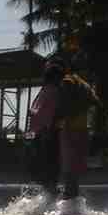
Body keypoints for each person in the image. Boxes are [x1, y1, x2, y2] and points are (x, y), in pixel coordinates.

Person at [55, 66, 98, 204]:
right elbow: (96, 102)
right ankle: (73, 199)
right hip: (83, 130)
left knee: (68, 168)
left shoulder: (68, 82)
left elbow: (63, 106)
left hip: (69, 129)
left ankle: (68, 200)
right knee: (75, 169)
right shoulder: (84, 86)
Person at [27, 60, 64, 203]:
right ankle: (52, 197)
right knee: (52, 168)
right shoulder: (55, 92)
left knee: (45, 170)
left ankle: (48, 196)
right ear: (56, 78)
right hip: (49, 133)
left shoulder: (43, 92)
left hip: (40, 134)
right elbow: (52, 114)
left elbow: (35, 114)